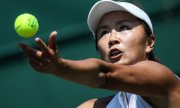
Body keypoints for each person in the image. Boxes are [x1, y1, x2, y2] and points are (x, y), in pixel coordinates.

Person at [18, 0, 180, 107]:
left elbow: (104, 75)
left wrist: (59, 67)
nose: (112, 38)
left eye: (123, 27)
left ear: (149, 42)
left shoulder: (161, 79)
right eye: (103, 32)